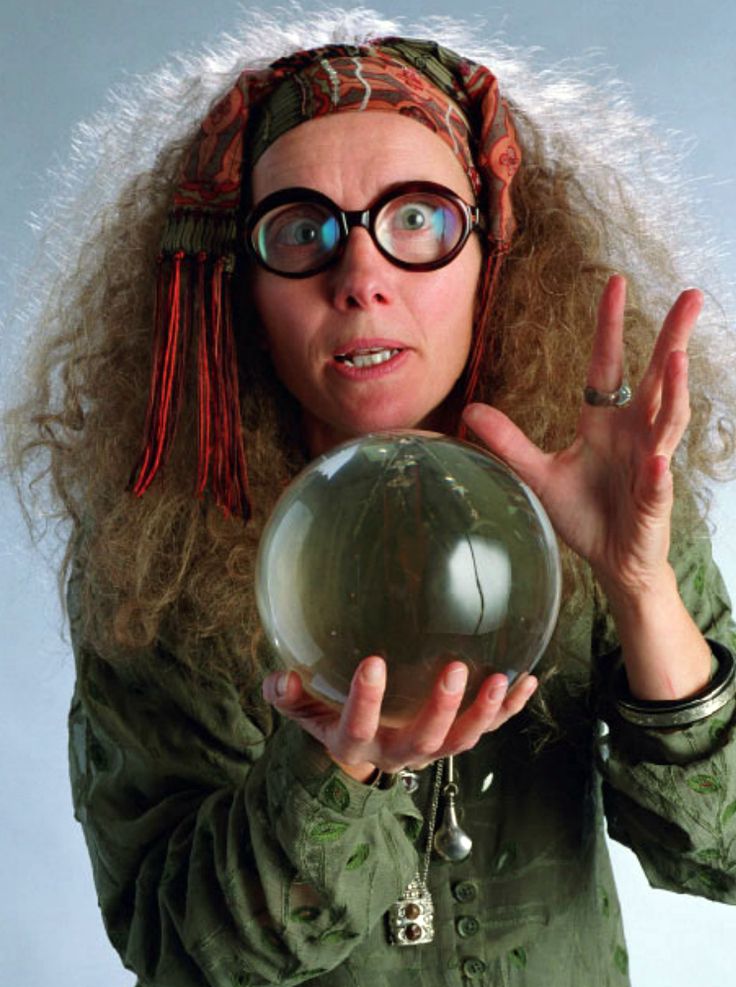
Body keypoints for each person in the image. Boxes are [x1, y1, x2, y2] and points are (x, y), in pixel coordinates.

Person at [6, 9, 736, 987]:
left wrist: (642, 586)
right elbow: (178, 950)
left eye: (419, 221)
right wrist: (335, 773)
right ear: (237, 281)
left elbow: (722, 857)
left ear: (494, 250)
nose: (361, 276)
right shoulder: (156, 559)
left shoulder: (596, 487)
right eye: (302, 231)